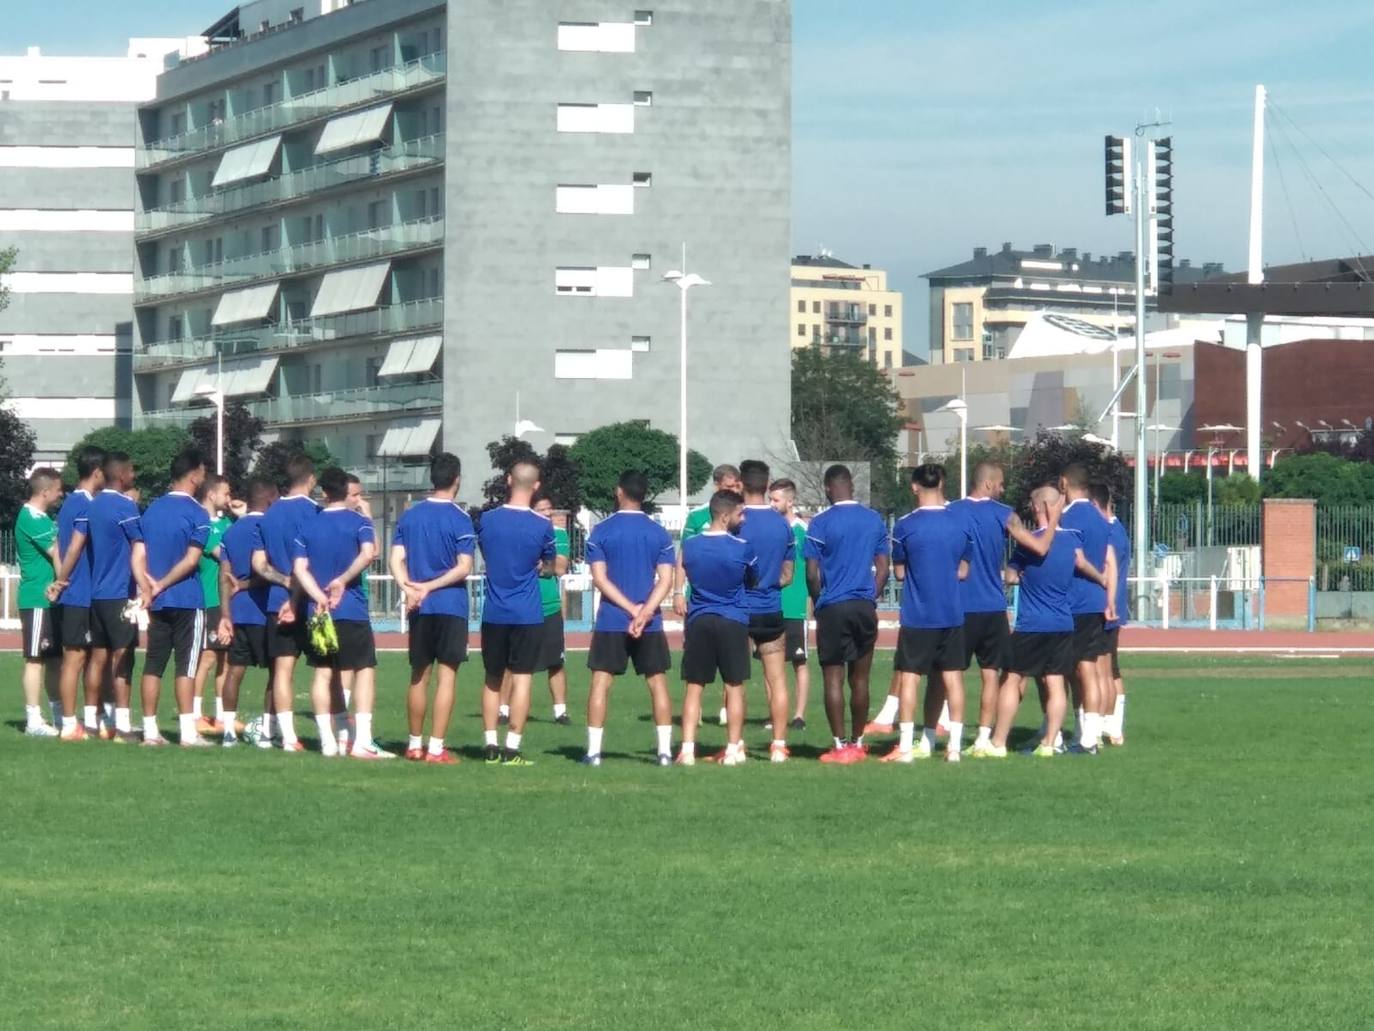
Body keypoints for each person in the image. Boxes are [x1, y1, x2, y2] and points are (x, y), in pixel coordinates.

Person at [986, 485, 1108, 757]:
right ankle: (1049, 743)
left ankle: (998, 742)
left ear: (1038, 507)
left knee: (1012, 678)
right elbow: (1080, 563)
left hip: (1032, 623)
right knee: (1055, 681)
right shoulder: (1073, 540)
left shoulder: (1029, 543)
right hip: (1063, 622)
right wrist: (1101, 578)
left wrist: (1019, 575)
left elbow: (1010, 577)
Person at [582, 470, 677, 766]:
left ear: (619, 491)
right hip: (650, 622)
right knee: (657, 683)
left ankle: (593, 753)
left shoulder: (601, 530)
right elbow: (666, 580)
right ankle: (664, 753)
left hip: (612, 618)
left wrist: (632, 610)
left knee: (601, 683)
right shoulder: (659, 533)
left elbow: (600, 579)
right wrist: (644, 611)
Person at [880, 465, 972, 764]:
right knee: (953, 678)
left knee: (910, 678)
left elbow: (899, 572)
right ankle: (954, 747)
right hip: (952, 613)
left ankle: (906, 747)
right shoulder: (961, 523)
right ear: (942, 484)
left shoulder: (905, 526)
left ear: (914, 486)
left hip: (918, 615)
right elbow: (963, 570)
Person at [389, 452, 477, 765]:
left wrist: (409, 589)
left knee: (419, 675)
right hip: (450, 604)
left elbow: (396, 559)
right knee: (447, 676)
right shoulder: (460, 518)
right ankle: (436, 749)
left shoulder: (410, 516)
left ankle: (414, 745)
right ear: (457, 479)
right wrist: (430, 586)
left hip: (420, 607)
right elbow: (464, 566)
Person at [292, 466, 384, 759]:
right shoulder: (359, 522)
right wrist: (342, 581)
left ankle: (327, 742)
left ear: (324, 492)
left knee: (323, 673)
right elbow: (369, 553)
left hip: (318, 611)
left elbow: (299, 569)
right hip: (351, 609)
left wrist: (318, 595)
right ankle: (362, 741)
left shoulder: (308, 526)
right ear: (346, 491)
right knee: (364, 669)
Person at [805, 464, 890, 764]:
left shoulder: (820, 523)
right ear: (851, 485)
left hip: (833, 605)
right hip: (863, 605)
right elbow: (883, 568)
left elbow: (812, 573)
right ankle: (859, 741)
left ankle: (840, 745)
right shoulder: (874, 519)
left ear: (828, 488)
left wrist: (819, 602)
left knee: (833, 676)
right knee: (860, 677)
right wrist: (870, 596)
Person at [477, 460, 556, 766]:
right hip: (527, 613)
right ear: (536, 486)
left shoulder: (487, 520)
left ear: (509, 480)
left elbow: (486, 553)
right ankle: (512, 748)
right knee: (522, 679)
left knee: (492, 678)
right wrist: (539, 566)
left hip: (494, 612)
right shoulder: (542, 525)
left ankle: (490, 745)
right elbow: (549, 566)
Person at [131, 448, 211, 747]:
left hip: (157, 602)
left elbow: (138, 555)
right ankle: (188, 734)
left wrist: (147, 586)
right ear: (194, 475)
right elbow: (191, 560)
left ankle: (150, 732)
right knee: (186, 667)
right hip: (186, 598)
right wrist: (162, 584)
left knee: (154, 664)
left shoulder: (151, 510)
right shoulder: (198, 513)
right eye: (203, 472)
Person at [676, 489, 758, 766]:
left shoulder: (691, 546)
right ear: (725, 516)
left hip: (699, 619)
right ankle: (733, 749)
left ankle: (687, 749)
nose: (743, 518)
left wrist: (678, 592)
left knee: (694, 686)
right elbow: (753, 579)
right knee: (734, 686)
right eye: (739, 514)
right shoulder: (742, 547)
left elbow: (682, 568)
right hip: (733, 619)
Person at [251, 453, 320, 752]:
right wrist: (298, 587)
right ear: (311, 479)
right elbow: (314, 560)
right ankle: (334, 734)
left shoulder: (269, 515)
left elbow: (259, 564)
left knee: (282, 670)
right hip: (312, 602)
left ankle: (289, 738)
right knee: (325, 670)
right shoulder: (316, 512)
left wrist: (284, 581)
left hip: (276, 602)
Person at [674, 463, 742, 727]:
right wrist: (678, 592)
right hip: (699, 599)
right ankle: (696, 710)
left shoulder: (738, 514)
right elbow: (683, 557)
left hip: (730, 601)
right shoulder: (697, 516)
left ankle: (727, 708)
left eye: (736, 486)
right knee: (693, 653)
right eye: (728, 486)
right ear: (717, 485)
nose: (733, 490)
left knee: (731, 659)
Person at [736, 459, 795, 762]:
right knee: (777, 679)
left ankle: (736, 745)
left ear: (741, 483)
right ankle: (779, 745)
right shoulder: (781, 524)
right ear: (767, 484)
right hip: (771, 607)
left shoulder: (736, 521)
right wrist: (769, 583)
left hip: (740, 609)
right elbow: (789, 574)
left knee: (736, 681)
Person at [1058, 464, 1118, 754]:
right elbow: (1109, 560)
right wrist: (1109, 597)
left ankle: (1085, 738)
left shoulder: (1068, 518)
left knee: (1077, 670)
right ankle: (1088, 734)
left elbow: (1077, 560)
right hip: (1095, 603)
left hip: (1074, 602)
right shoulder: (1100, 518)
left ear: (1063, 483)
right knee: (1089, 667)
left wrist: (1099, 578)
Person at [87, 452, 144, 744]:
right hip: (120, 592)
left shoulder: (94, 505)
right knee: (123, 658)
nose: (134, 476)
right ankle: (122, 726)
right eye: (131, 471)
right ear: (122, 474)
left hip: (97, 593)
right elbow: (139, 544)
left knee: (98, 657)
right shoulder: (126, 506)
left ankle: (91, 722)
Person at [216, 478, 278, 748]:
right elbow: (267, 571)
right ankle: (267, 733)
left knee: (234, 672)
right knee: (276, 672)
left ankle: (228, 733)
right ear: (269, 499)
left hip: (238, 612)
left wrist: (225, 615)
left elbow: (224, 577)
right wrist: (246, 585)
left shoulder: (231, 532)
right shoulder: (269, 528)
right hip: (264, 611)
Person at [48, 444, 105, 741]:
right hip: (79, 593)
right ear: (96, 472)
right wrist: (61, 580)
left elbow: (59, 546)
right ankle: (70, 725)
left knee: (84, 656)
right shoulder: (84, 504)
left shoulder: (70, 503)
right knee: (75, 658)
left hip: (78, 592)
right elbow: (73, 547)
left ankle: (86, 720)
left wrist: (59, 579)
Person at [499, 491, 570, 726]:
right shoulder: (521, 531)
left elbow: (560, 567)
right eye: (542, 510)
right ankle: (503, 709)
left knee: (555, 661)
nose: (548, 514)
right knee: (512, 662)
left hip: (549, 606)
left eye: (549, 509)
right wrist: (538, 563)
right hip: (522, 606)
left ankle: (560, 711)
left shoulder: (558, 534)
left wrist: (538, 563)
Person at [16, 467, 64, 737]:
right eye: (58, 490)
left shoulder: (44, 518)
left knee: (55, 659)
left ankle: (58, 716)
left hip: (50, 600)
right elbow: (57, 552)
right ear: (45, 491)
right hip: (37, 598)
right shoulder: (30, 517)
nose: (61, 494)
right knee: (35, 659)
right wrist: (63, 580)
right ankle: (33, 720)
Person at [191, 474, 233, 735]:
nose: (229, 498)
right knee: (207, 658)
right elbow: (226, 555)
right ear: (211, 494)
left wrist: (242, 517)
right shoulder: (203, 525)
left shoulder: (228, 523)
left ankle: (221, 714)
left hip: (227, 601)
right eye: (226, 493)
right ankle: (195, 713)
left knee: (225, 658)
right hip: (210, 600)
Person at [769, 478, 810, 730]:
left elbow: (813, 568)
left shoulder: (803, 531)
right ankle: (774, 714)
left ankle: (799, 715)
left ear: (790, 501)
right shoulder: (771, 529)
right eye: (770, 499)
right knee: (770, 662)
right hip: (771, 605)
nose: (772, 504)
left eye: (776, 500)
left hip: (795, 607)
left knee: (799, 662)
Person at [1094, 484, 1131, 746]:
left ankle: (1107, 725)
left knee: (1104, 670)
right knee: (1111, 669)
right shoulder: (1116, 530)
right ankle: (1113, 727)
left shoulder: (1112, 534)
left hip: (1107, 609)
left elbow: (1107, 571)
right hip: (1112, 608)